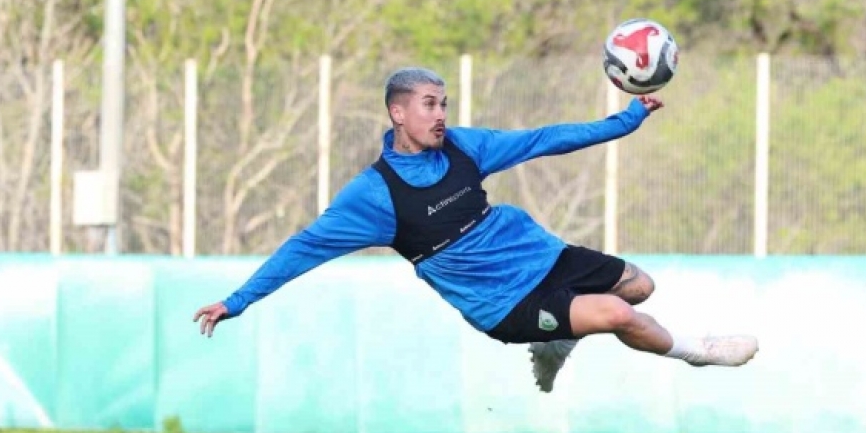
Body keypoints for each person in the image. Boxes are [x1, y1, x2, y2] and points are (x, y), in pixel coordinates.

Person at [194, 67, 758, 393]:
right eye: (429, 105)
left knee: (639, 287)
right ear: (398, 113)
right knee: (616, 314)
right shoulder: (374, 196)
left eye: (444, 103)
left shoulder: (466, 146)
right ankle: (698, 351)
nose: (441, 114)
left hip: (540, 255)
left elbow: (545, 139)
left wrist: (627, 119)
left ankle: (558, 340)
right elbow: (303, 248)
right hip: (504, 304)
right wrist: (237, 302)